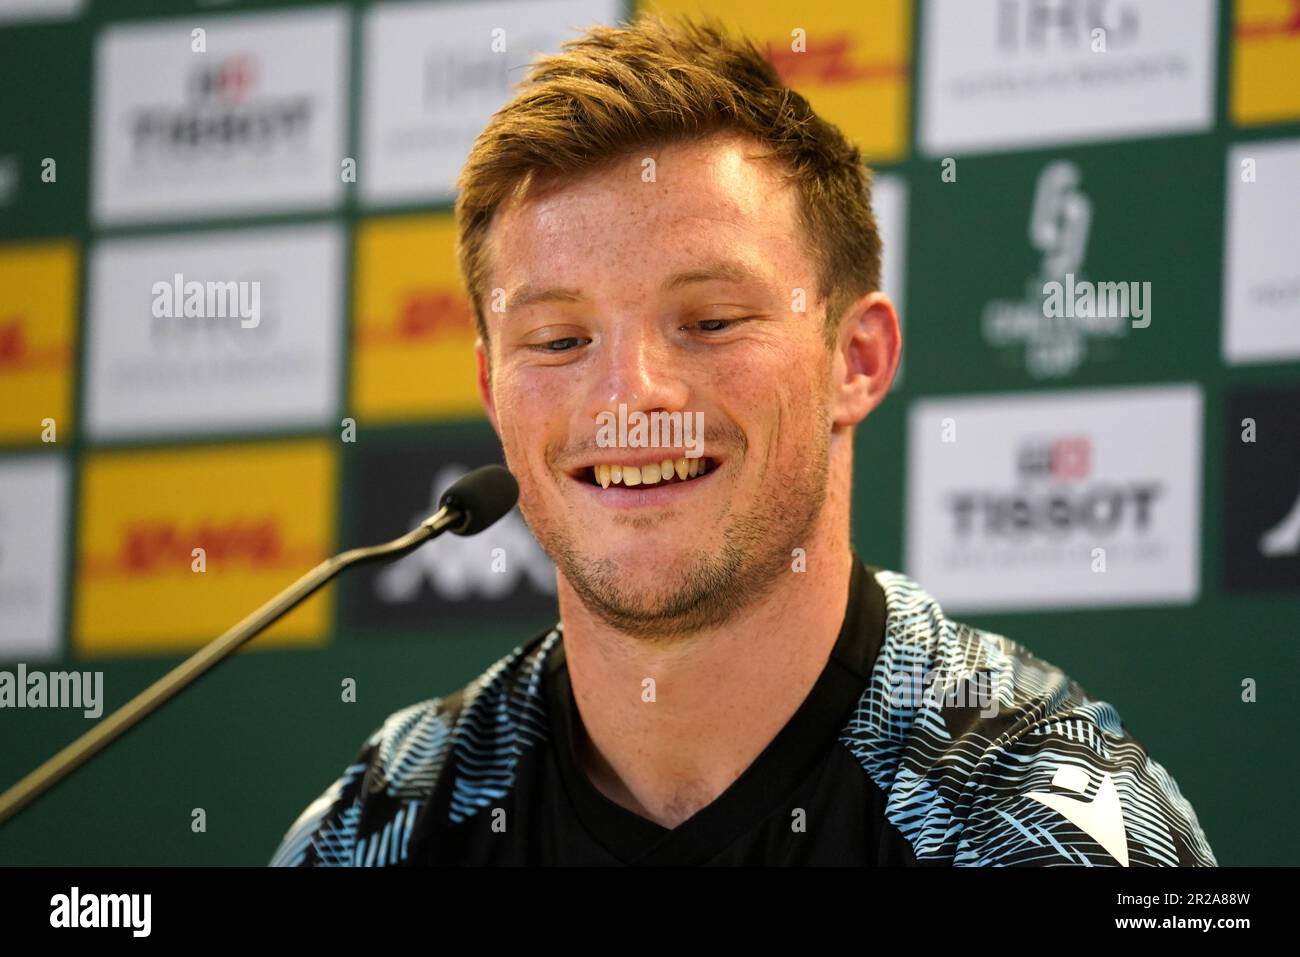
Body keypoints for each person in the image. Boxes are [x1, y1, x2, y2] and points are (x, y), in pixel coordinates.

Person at [270, 14, 1216, 866]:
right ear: (490, 388)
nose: (631, 396)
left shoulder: (1041, 822)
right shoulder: (385, 822)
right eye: (559, 340)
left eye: (712, 320)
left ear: (857, 359)